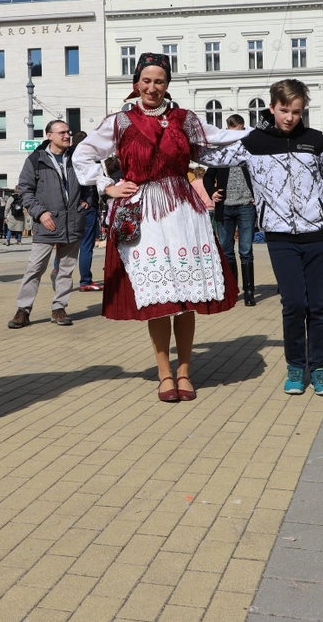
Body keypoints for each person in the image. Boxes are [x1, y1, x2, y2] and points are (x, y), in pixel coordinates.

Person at [72, 54, 244, 403]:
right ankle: (165, 372)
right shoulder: (120, 121)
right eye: (146, 81)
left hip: (183, 212)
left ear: (167, 85)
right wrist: (108, 186)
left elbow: (217, 143)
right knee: (160, 299)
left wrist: (267, 138)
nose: (152, 88)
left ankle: (185, 372)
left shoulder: (184, 119)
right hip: (144, 213)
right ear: (136, 83)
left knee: (187, 300)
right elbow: (83, 153)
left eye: (159, 81)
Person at [198, 79, 323, 396]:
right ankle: (295, 367)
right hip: (279, 236)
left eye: (297, 111)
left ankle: (318, 368)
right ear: (272, 107)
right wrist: (177, 136)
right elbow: (213, 157)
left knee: (318, 305)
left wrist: (314, 200)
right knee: (294, 303)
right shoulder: (254, 142)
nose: (290, 117)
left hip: (316, 234)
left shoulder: (315, 140)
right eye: (284, 110)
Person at [9, 120, 82, 328]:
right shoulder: (36, 159)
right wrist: (40, 213)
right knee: (35, 268)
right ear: (49, 135)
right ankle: (23, 310)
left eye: (68, 132)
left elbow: (89, 181)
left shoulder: (77, 157)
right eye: (62, 133)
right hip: (47, 223)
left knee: (66, 270)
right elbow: (25, 190)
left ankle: (59, 308)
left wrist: (86, 201)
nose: (67, 136)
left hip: (72, 222)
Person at [202, 114, 259, 306]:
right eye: (232, 134)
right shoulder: (221, 153)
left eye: (239, 133)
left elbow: (260, 175)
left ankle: (249, 292)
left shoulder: (249, 152)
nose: (235, 138)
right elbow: (207, 177)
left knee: (246, 250)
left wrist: (257, 195)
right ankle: (233, 291)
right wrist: (212, 193)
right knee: (227, 251)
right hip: (224, 208)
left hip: (245, 206)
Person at [71, 130, 104, 292]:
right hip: (88, 207)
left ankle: (58, 272)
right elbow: (93, 183)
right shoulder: (89, 159)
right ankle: (85, 280)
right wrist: (87, 200)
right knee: (86, 244)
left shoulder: (66, 158)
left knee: (66, 244)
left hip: (68, 207)